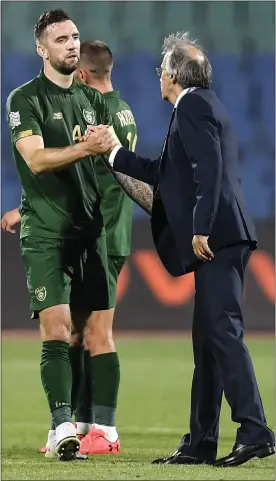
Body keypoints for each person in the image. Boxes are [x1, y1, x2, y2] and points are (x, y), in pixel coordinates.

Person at [89, 31, 275, 467]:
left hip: (220, 236)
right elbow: (162, 171)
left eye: (161, 70)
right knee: (207, 341)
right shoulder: (198, 107)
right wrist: (113, 150)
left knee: (222, 332)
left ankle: (255, 430)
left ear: (173, 75)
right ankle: (201, 442)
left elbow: (209, 169)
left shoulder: (192, 105)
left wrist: (202, 227)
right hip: (229, 233)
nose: (158, 77)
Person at [3, 34, 152, 458]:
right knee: (76, 332)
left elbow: (98, 178)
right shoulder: (120, 110)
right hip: (99, 228)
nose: (69, 46)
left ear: (83, 72)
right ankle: (77, 424)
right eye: (61, 38)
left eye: (74, 40)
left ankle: (100, 427)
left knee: (94, 333)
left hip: (98, 230)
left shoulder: (102, 112)